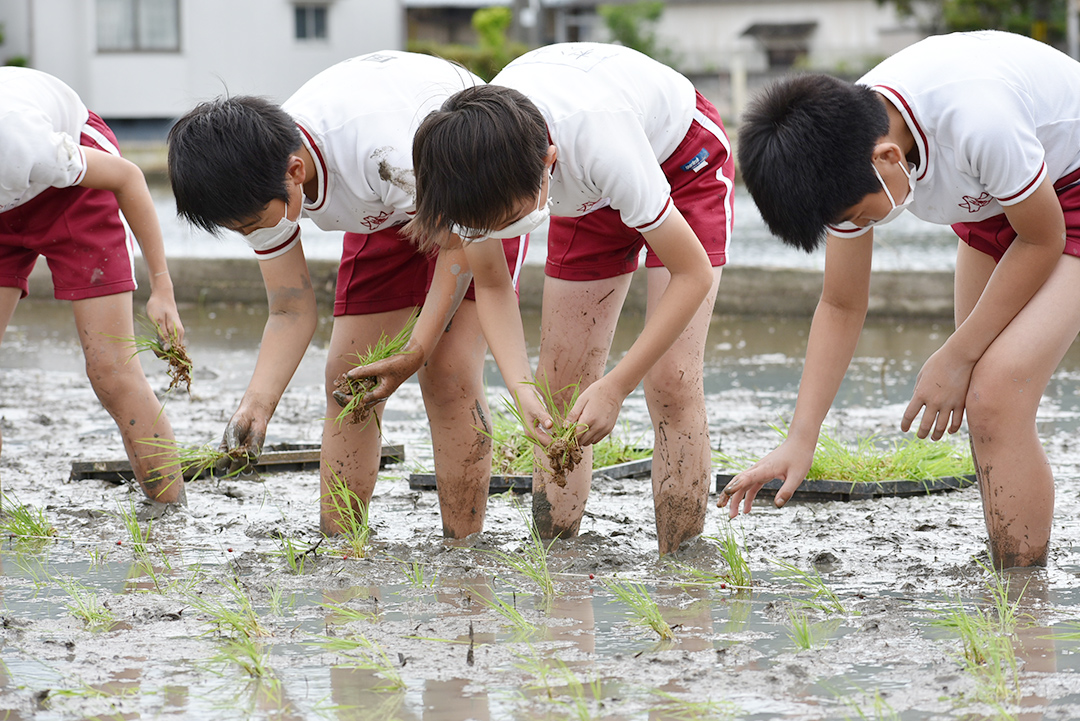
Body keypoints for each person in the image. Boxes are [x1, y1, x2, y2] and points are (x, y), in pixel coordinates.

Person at [725, 30, 1080, 569]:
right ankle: (1007, 581)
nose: (858, 228)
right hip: (994, 202)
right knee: (983, 400)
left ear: (889, 157)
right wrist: (800, 438)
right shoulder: (843, 149)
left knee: (995, 393)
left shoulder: (977, 118)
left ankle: (1023, 600)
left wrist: (955, 355)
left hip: (1061, 195)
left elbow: (1041, 238)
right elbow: (842, 302)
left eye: (859, 217)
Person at [378, 42, 733, 555]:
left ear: (549, 165)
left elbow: (691, 273)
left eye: (507, 222)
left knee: (670, 379)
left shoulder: (601, 144)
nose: (495, 233)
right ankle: (556, 562)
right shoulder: (471, 166)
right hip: (583, 191)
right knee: (559, 388)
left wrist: (616, 386)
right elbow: (494, 284)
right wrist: (522, 389)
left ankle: (679, 563)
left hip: (679, 160)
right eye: (486, 227)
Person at [167, 51, 526, 537]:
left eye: (252, 225)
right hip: (382, 205)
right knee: (348, 380)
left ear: (295, 173)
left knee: (448, 370)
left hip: (473, 182)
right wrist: (257, 404)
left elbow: (457, 244)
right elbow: (290, 308)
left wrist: (417, 347)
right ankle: (341, 544)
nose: (253, 234)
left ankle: (463, 546)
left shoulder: (383, 155)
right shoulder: (258, 182)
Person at [0, 67, 186, 504]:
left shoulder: (23, 141)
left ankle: (170, 517)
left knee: (110, 369)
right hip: (6, 201)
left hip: (76, 184)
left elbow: (128, 177)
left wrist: (162, 287)